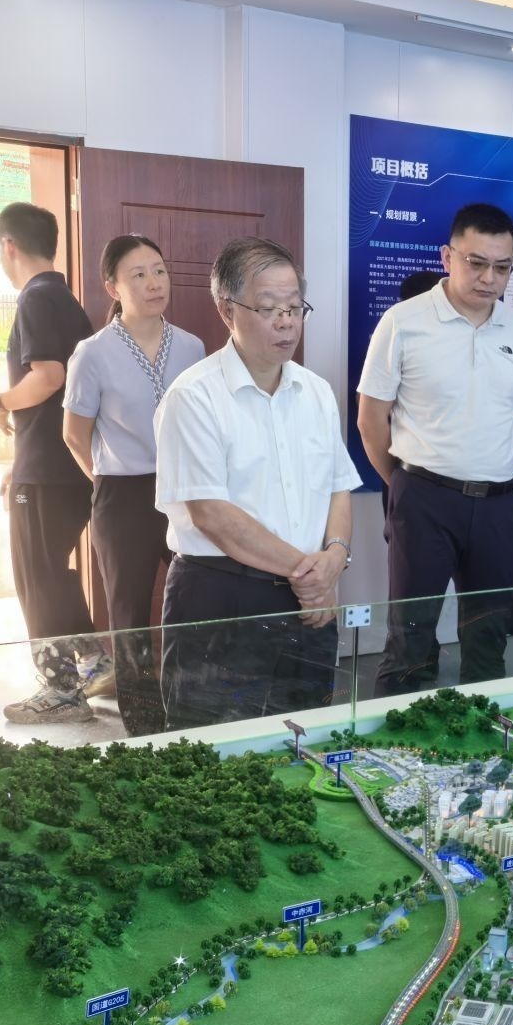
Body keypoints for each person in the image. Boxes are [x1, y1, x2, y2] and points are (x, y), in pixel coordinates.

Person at [156, 238, 358, 727]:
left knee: (305, 738)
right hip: (223, 596)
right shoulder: (194, 396)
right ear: (227, 310)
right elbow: (212, 514)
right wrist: (311, 577)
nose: (286, 322)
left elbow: (337, 486)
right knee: (213, 748)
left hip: (309, 599)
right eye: (269, 308)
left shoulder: (316, 392)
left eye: (295, 307)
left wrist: (334, 559)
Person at [358, 203, 513, 694]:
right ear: (447, 256)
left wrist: (489, 464)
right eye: (476, 263)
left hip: (498, 503)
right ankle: (397, 732)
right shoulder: (403, 321)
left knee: (489, 636)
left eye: (502, 267)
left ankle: (483, 729)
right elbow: (370, 419)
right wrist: (406, 484)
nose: (489, 278)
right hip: (424, 500)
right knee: (411, 637)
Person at [63, 235, 205, 736]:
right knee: (128, 616)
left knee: (197, 601)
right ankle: (144, 727)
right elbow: (74, 435)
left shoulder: (192, 346)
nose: (153, 283)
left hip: (183, 490)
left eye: (159, 270)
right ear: (113, 287)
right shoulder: (92, 353)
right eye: (138, 274)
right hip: (121, 494)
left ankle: (191, 710)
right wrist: (106, 481)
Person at [0, 202, 101, 724]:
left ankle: (60, 689)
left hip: (47, 469)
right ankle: (95, 660)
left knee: (34, 576)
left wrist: (1, 400)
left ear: (9, 246)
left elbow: (48, 377)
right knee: (52, 572)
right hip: (66, 465)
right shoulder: (68, 301)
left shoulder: (35, 297)